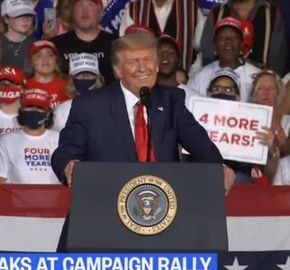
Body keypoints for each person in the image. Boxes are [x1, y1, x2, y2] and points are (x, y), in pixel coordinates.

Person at [52, 31, 235, 193]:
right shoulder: (89, 106)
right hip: (106, 205)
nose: (142, 68)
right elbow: (65, 153)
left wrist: (219, 167)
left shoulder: (172, 102)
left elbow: (202, 146)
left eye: (148, 60)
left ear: (156, 65)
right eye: (133, 62)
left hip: (163, 209)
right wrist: (69, 165)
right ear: (117, 70)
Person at [199, 0, 287, 76]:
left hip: (260, 88)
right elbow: (208, 58)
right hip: (220, 83)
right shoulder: (217, 13)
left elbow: (276, 64)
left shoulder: (272, 14)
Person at [187, 17, 260, 102]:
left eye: (234, 37)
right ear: (215, 44)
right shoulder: (200, 77)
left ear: (241, 44)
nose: (228, 41)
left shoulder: (256, 76)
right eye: (222, 37)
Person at [119, 0, 204, 71]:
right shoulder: (134, 10)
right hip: (144, 83)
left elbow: (202, 49)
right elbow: (124, 51)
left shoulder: (191, 8)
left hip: (183, 84)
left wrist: (192, 74)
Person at [0, 88, 60, 184]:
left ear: (48, 113)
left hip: (54, 198)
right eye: (29, 107)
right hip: (18, 198)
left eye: (39, 108)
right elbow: (1, 178)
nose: (34, 111)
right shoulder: (6, 141)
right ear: (21, 110)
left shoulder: (60, 140)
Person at [51, 0, 116, 86]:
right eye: (80, 6)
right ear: (73, 12)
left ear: (100, 11)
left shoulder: (116, 43)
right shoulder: (55, 45)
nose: (85, 12)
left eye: (90, 6)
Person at [53, 52, 104, 131]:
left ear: (97, 78)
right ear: (71, 79)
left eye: (89, 74)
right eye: (80, 74)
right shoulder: (63, 109)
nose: (85, 77)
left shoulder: (109, 107)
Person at [156, 34, 202, 111]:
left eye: (171, 52)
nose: (165, 55)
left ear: (178, 60)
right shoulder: (146, 95)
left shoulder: (195, 99)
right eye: (160, 53)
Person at [26, 40, 70, 109]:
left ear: (56, 59)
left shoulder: (68, 86)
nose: (45, 59)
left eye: (50, 55)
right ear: (31, 61)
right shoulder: (24, 87)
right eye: (39, 56)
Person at [0, 0, 36, 75]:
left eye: (29, 15)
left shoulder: (36, 45)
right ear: (6, 19)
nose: (26, 20)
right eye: (19, 15)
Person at [0, 65, 25, 135]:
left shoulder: (32, 115)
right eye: (2, 84)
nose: (7, 87)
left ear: (23, 87)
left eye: (13, 83)